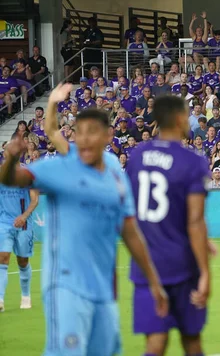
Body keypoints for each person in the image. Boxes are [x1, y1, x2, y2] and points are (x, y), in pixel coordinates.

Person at [0, 83, 168, 355]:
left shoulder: (115, 173)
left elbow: (129, 231)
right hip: (65, 283)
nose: (85, 139)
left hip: (104, 287)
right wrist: (10, 157)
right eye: (80, 133)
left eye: (93, 132)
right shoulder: (59, 168)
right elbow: (13, 178)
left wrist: (153, 280)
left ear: (109, 135)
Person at [126, 96, 215, 356]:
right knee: (191, 340)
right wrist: (205, 272)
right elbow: (195, 220)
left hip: (145, 265)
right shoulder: (193, 161)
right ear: (179, 118)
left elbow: (133, 210)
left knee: (155, 343)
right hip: (182, 266)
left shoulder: (137, 155)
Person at [0, 183, 38, 311]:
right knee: (3, 258)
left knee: (23, 262)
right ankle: (0, 299)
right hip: (4, 224)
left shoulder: (26, 179)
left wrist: (24, 216)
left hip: (24, 224)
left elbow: (35, 200)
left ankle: (26, 296)